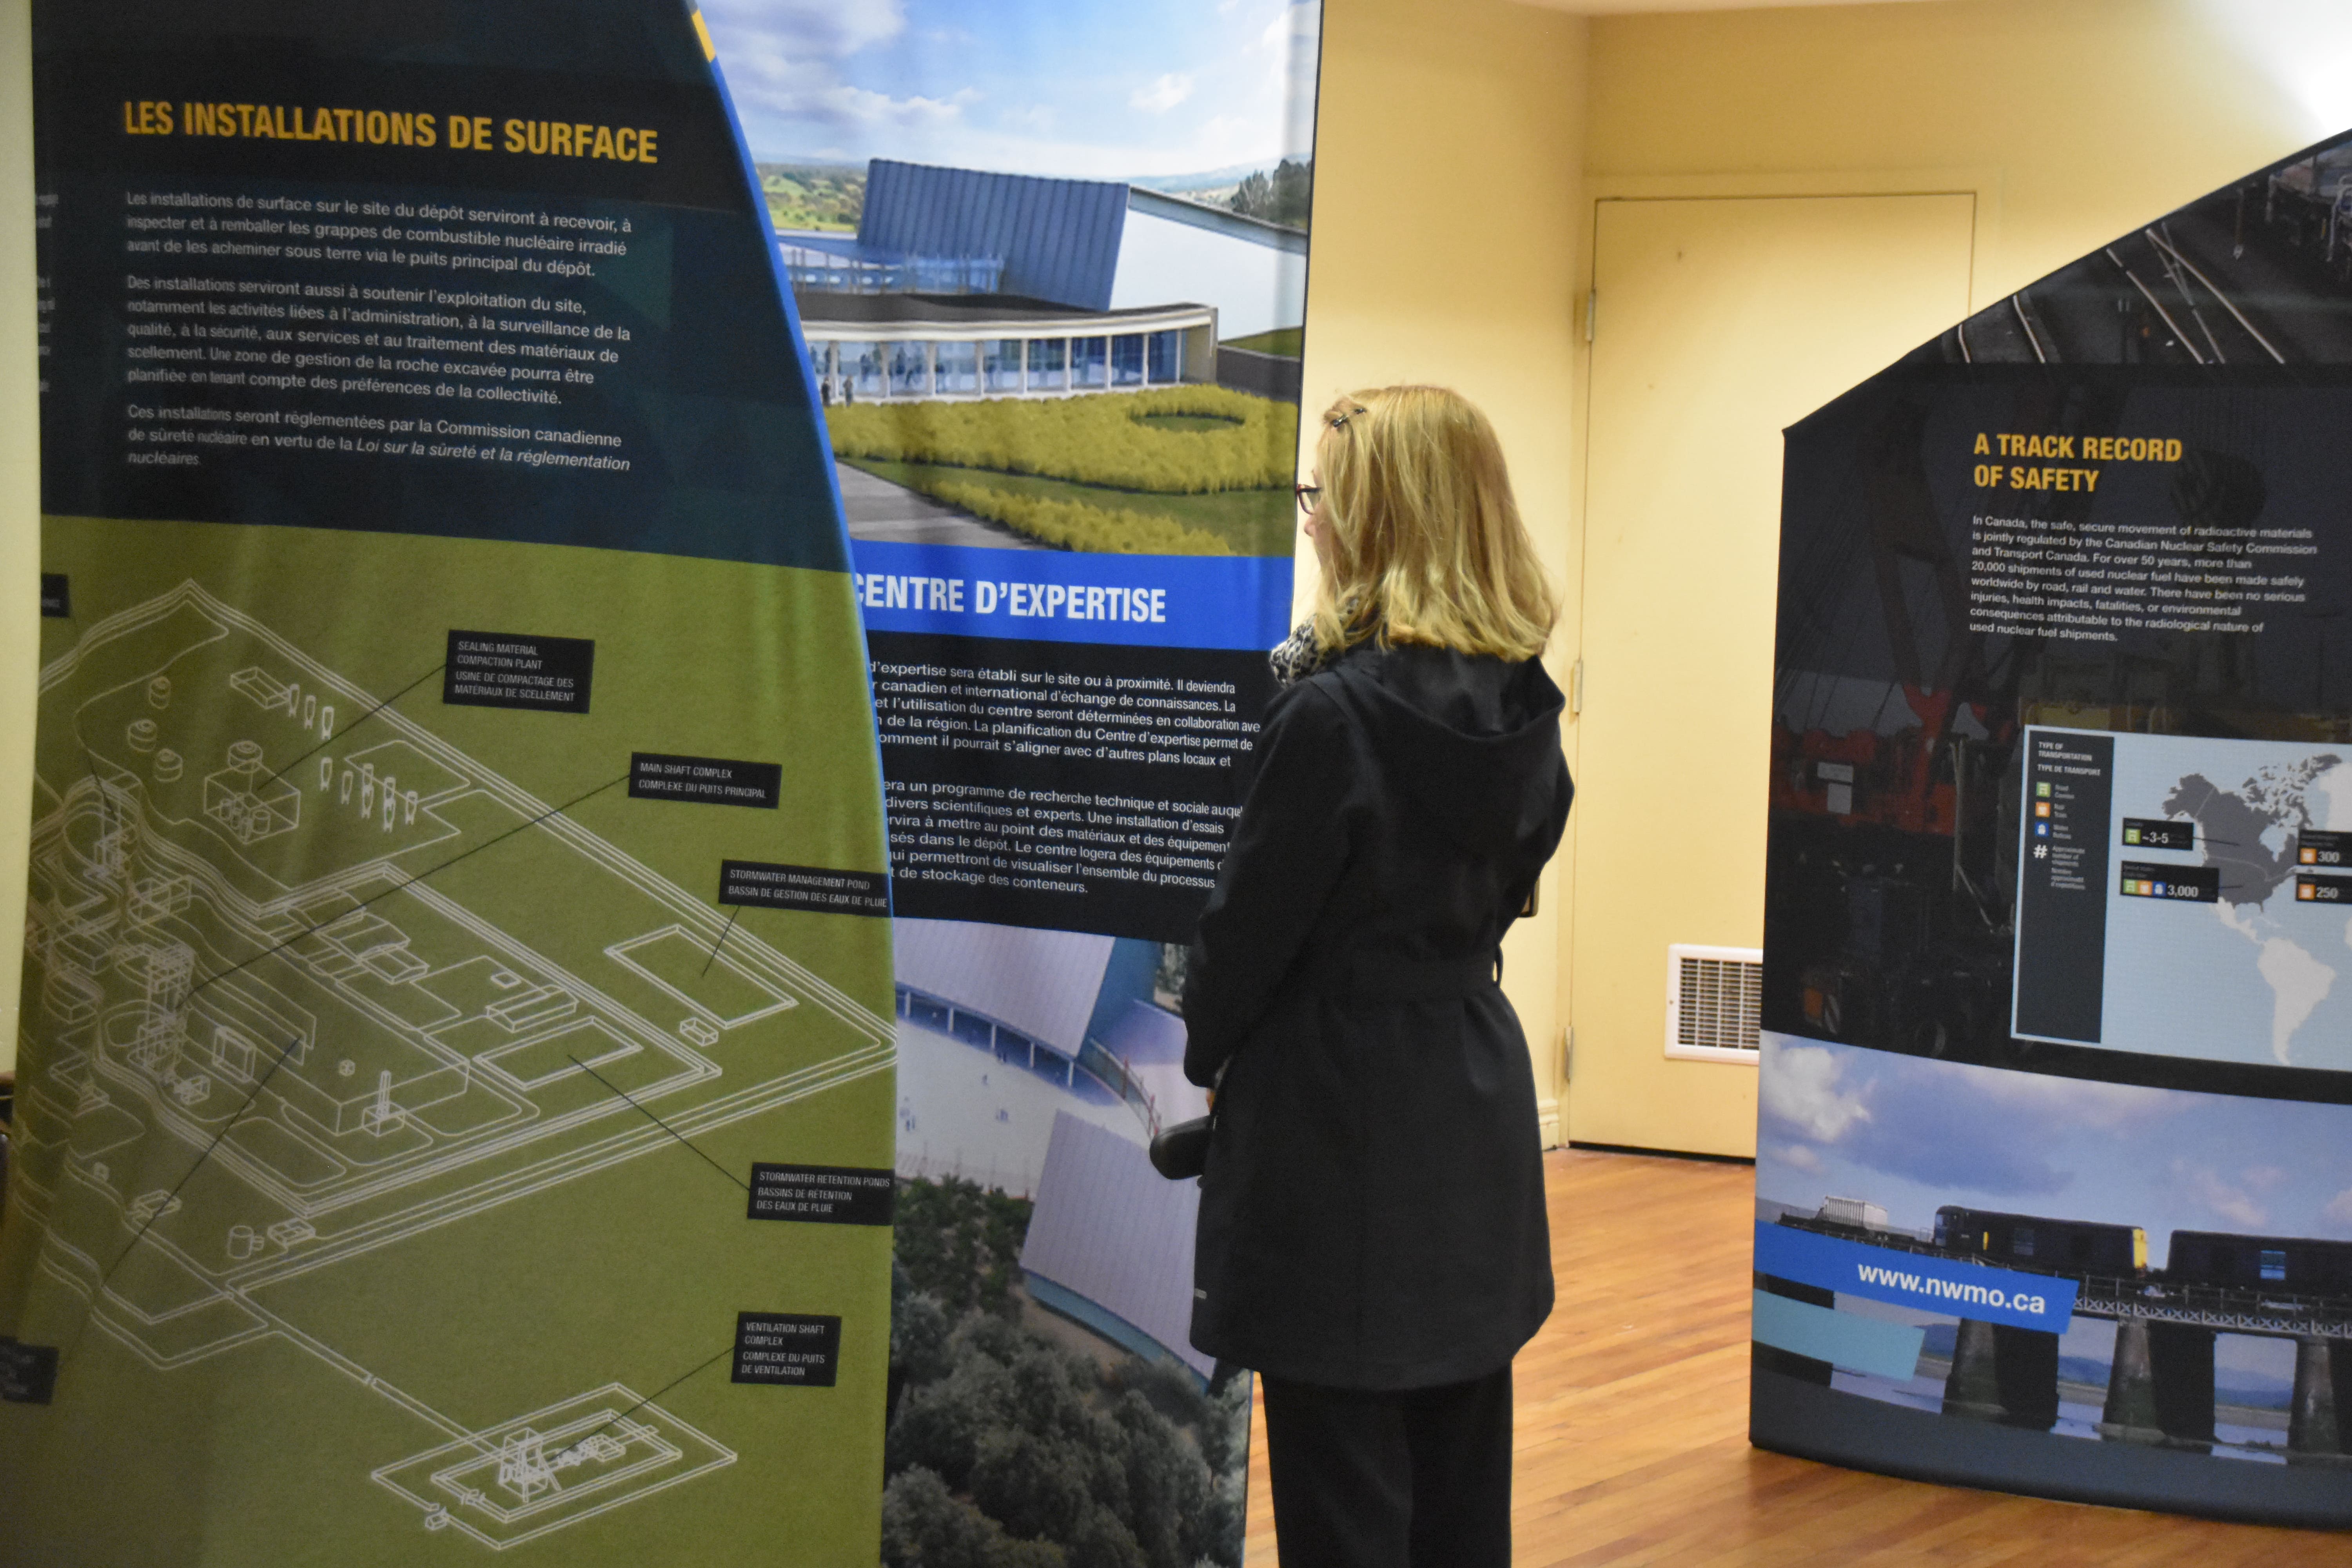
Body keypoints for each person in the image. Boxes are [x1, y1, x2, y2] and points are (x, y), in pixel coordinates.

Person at [1181, 385, 1572, 1568]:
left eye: (1323, 496)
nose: (1311, 522)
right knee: (1462, 1496)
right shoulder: (1529, 707)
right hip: (1471, 1114)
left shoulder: (1329, 721)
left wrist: (1207, 1053)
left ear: (1381, 516)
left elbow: (1243, 943)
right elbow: (1510, 892)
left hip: (1334, 1135)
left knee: (1341, 1499)